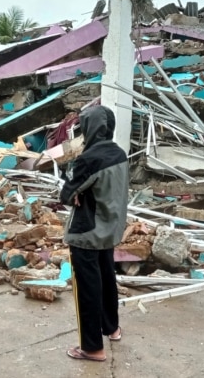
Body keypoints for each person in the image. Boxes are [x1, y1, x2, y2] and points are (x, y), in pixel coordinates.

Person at [60, 105, 129, 362]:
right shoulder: (119, 154)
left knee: (87, 288)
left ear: (88, 128)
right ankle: (112, 328)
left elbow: (66, 194)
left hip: (87, 233)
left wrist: (78, 192)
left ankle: (91, 347)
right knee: (106, 279)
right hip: (110, 228)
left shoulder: (88, 159)